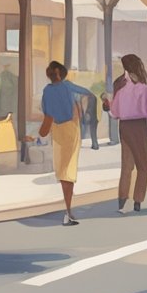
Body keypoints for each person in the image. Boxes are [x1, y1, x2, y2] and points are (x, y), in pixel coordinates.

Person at [25, 61, 90, 226]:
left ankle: (68, 209)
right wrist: (79, 110)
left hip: (58, 130)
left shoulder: (47, 91)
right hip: (70, 129)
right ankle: (68, 210)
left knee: (63, 169)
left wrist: (39, 135)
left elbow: (47, 115)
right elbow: (87, 93)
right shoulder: (67, 87)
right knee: (67, 170)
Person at [103, 54, 147, 214]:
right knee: (143, 166)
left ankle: (122, 202)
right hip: (139, 126)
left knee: (126, 166)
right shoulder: (144, 85)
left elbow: (114, 112)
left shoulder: (119, 83)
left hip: (124, 126)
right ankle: (138, 201)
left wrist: (107, 104)